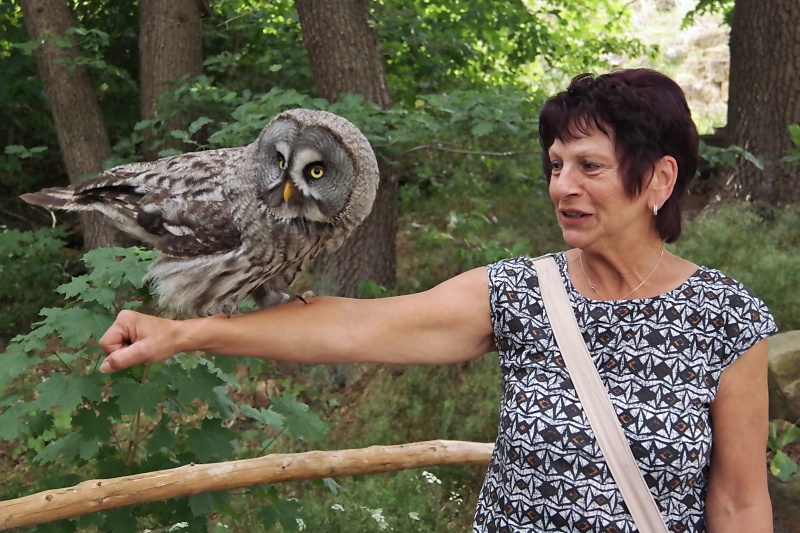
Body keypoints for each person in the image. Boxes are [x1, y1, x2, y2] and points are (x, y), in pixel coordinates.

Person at [98, 68, 777, 532]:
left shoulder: (727, 317)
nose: (563, 186)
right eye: (554, 166)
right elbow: (359, 327)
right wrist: (185, 334)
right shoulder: (522, 291)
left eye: (589, 167)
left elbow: (741, 501)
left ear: (658, 178)